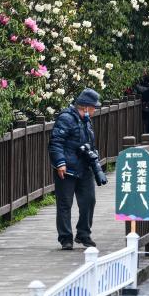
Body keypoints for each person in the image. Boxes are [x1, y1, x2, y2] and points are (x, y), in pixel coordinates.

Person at [48, 89, 102, 250]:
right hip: (67, 169)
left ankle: (83, 234)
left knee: (89, 200)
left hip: (85, 167)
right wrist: (60, 163)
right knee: (65, 204)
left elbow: (90, 143)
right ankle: (65, 238)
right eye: (93, 107)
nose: (94, 110)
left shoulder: (86, 120)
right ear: (85, 107)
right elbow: (56, 142)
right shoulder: (66, 118)